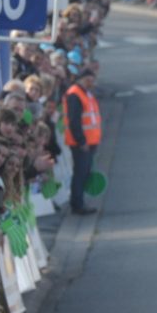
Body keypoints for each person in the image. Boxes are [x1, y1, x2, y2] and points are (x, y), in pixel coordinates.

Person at [63, 67, 101, 215]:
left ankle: (79, 202)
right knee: (80, 173)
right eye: (89, 80)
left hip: (89, 141)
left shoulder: (86, 93)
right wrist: (81, 141)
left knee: (83, 173)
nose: (91, 83)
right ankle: (77, 204)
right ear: (82, 79)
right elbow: (74, 121)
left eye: (92, 81)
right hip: (81, 143)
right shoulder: (75, 94)